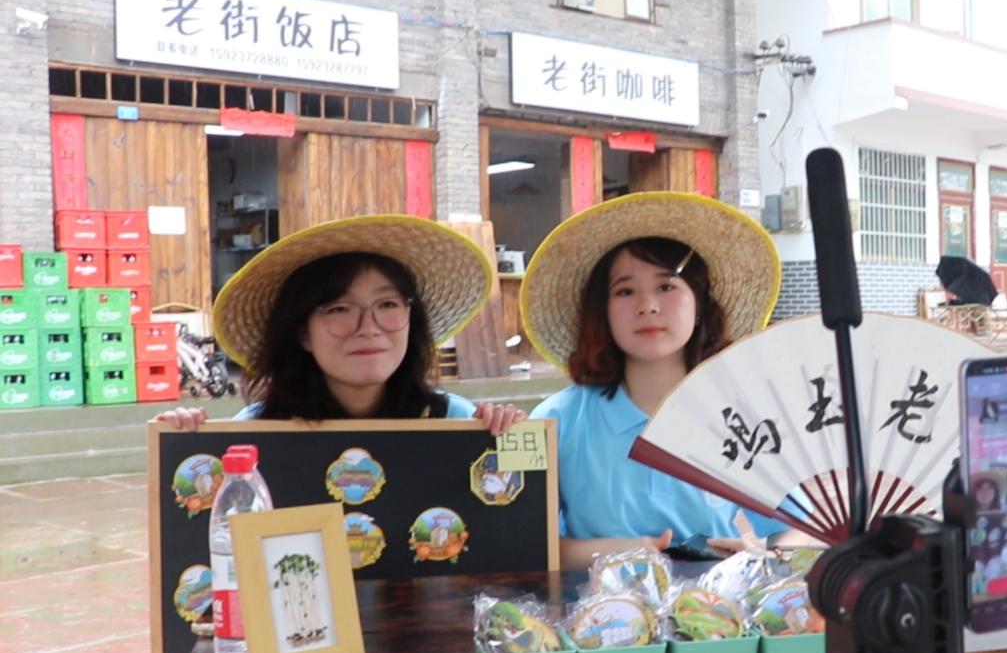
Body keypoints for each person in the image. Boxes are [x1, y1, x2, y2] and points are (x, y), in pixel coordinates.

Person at [520, 192, 813, 571]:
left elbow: (801, 528)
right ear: (602, 312)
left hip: (717, 605)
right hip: (597, 605)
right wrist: (622, 551)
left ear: (699, 304)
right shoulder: (560, 420)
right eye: (625, 291)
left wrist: (762, 555)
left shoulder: (744, 417)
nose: (648, 306)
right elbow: (526, 541)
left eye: (666, 287)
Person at [156, 214, 523, 433]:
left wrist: (507, 437)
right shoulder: (256, 432)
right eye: (339, 309)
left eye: (387, 304)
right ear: (303, 333)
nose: (369, 327)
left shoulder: (455, 421)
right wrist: (183, 441)